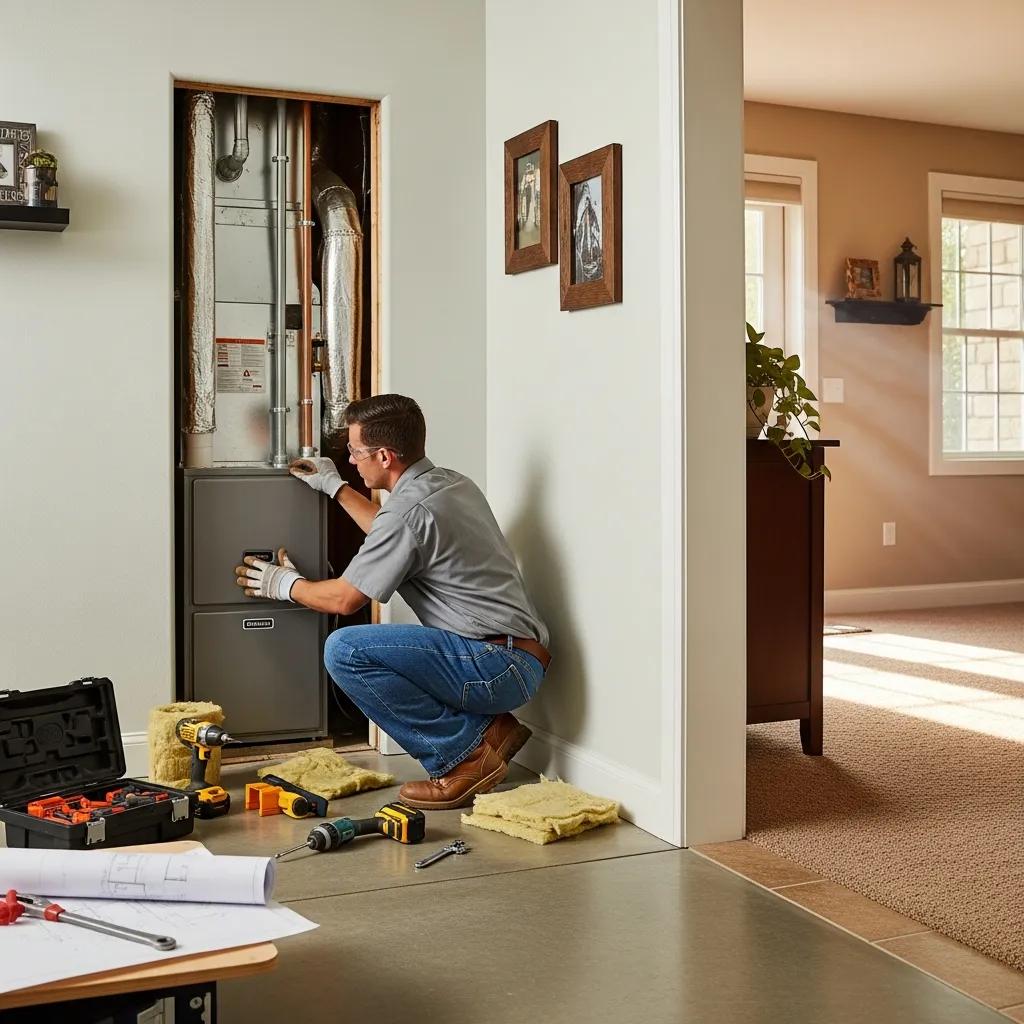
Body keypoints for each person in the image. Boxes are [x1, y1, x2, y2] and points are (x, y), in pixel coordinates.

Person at [234, 394, 550, 810]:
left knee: (344, 650)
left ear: (384, 456)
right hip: (515, 658)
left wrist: (283, 584)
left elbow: (346, 599)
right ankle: (489, 732)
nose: (351, 460)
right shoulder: (448, 483)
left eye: (355, 452)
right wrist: (336, 487)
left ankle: (463, 757)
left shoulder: (408, 512)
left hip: (493, 666)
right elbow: (393, 531)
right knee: (369, 647)